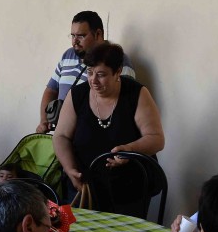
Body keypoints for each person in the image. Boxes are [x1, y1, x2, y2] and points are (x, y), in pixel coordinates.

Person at [53, 42, 164, 203]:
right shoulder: (77, 94)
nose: (93, 80)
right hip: (85, 185)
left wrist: (130, 149)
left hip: (129, 187)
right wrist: (70, 169)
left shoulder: (136, 93)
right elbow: (61, 136)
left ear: (117, 72)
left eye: (101, 75)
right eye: (90, 73)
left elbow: (156, 138)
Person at [36, 11, 136, 133]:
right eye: (72, 36)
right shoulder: (67, 55)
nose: (75, 41)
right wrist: (44, 121)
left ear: (98, 34)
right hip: (62, 135)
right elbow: (51, 90)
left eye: (81, 36)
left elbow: (124, 105)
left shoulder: (119, 61)